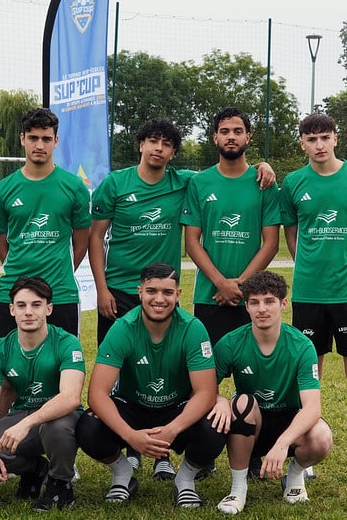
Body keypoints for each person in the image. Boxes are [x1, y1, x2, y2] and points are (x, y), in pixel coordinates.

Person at [90, 117, 276, 479]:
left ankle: (163, 452)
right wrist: (101, 289)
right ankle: (132, 449)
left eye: (166, 144)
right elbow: (96, 237)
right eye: (152, 141)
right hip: (120, 292)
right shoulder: (115, 184)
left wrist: (262, 166)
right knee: (123, 376)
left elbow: (225, 173)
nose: (158, 149)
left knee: (167, 371)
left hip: (163, 294)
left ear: (174, 152)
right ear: (141, 144)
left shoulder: (186, 182)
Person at [280, 112, 347, 488]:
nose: (319, 144)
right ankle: (307, 454)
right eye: (311, 139)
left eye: (325, 137)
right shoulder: (293, 182)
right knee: (311, 376)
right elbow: (292, 234)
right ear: (302, 143)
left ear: (335, 139)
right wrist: (310, 267)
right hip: (309, 295)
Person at [75, 263, 225, 508]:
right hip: (132, 407)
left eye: (167, 292)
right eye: (152, 291)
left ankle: (185, 480)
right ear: (140, 292)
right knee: (88, 426)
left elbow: (206, 392)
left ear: (178, 294)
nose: (159, 299)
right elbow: (97, 394)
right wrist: (130, 436)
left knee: (215, 425)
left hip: (176, 408)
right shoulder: (123, 328)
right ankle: (123, 473)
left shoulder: (192, 328)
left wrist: (173, 428)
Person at [209, 271, 333, 514]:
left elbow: (312, 407)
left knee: (321, 437)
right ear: (246, 307)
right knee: (242, 403)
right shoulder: (231, 343)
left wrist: (282, 444)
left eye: (269, 301)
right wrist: (219, 399)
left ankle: (294, 477)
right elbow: (203, 390)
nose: (262, 309)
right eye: (254, 302)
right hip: (250, 423)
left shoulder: (302, 345)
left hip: (287, 420)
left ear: (283, 304)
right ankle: (238, 489)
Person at [0, 276, 85, 511]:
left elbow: (70, 397)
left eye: (36, 305)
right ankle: (35, 470)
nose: (28, 312)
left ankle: (61, 485)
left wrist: (25, 424)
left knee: (57, 428)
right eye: (21, 305)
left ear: (48, 308)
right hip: (24, 412)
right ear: (11, 310)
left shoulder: (66, 342)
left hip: (62, 416)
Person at [180, 106, 281, 346]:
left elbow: (271, 244)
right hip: (209, 295)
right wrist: (221, 283)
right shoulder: (200, 182)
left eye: (238, 131)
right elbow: (192, 242)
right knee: (208, 366)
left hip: (251, 299)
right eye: (225, 131)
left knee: (252, 366)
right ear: (215, 137)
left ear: (248, 137)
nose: (231, 137)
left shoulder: (264, 183)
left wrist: (241, 286)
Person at [0, 107, 91, 340]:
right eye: (33, 138)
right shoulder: (2, 190)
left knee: (64, 359)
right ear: (22, 139)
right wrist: (22, 277)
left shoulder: (74, 187)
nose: (39, 145)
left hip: (60, 293)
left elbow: (81, 243)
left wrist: (59, 272)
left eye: (46, 139)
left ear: (56, 141)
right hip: (13, 293)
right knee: (10, 360)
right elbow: (2, 245)